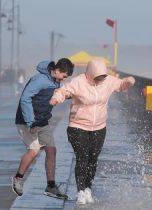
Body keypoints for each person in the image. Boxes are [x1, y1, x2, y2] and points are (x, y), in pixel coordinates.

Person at [50, 59, 135, 205]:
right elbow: (64, 91)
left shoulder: (107, 81)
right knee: (82, 158)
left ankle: (88, 188)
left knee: (93, 159)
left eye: (103, 76)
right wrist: (56, 98)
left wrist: (129, 81)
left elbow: (120, 85)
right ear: (91, 73)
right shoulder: (79, 82)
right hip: (78, 127)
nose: (101, 79)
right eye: (98, 76)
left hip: (99, 128)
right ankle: (81, 191)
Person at [12, 58, 74, 199]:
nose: (64, 79)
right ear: (57, 70)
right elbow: (25, 98)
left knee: (51, 150)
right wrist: (30, 122)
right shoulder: (40, 79)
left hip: (42, 121)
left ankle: (51, 187)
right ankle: (18, 178)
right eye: (64, 76)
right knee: (34, 151)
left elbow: (56, 95)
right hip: (27, 121)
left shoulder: (55, 81)